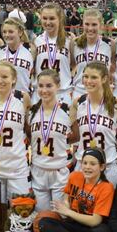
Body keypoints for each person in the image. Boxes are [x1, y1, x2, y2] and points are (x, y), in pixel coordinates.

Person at [31, 148, 115, 232]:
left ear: (102, 167)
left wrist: (68, 212)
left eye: (92, 164)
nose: (87, 167)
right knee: (44, 223)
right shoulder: (74, 176)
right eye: (84, 163)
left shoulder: (107, 187)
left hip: (92, 228)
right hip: (74, 225)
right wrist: (64, 206)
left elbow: (95, 221)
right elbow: (67, 199)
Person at [0, 61, 31, 201]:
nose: (0, 81)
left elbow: (28, 129)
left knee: (20, 215)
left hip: (17, 168)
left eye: (5, 77)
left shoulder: (23, 98)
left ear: (13, 79)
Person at [70, 62, 117, 183]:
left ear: (104, 78)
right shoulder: (77, 103)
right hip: (82, 166)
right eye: (85, 76)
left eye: (94, 77)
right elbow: (76, 137)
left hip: (108, 167)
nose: (88, 81)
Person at [29, 70, 72, 211]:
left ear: (58, 86)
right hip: (38, 170)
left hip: (60, 170)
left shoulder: (67, 111)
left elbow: (75, 139)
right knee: (41, 218)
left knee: (61, 217)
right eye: (40, 86)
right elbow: (28, 138)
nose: (44, 90)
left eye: (49, 86)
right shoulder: (32, 112)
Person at [34, 3, 74, 104]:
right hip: (41, 94)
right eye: (44, 18)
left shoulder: (70, 40)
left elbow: (74, 65)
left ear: (59, 19)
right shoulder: (36, 41)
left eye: (52, 18)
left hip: (62, 94)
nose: (48, 22)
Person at [72, 10, 113, 100]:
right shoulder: (74, 43)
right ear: (82, 24)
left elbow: (113, 69)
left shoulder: (110, 44)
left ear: (101, 26)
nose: (90, 28)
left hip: (102, 93)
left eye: (94, 25)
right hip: (80, 92)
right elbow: (70, 67)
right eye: (87, 24)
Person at [0, 18, 34, 94]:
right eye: (4, 32)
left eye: (11, 32)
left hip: (24, 97)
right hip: (4, 96)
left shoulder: (31, 49)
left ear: (20, 32)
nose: (7, 35)